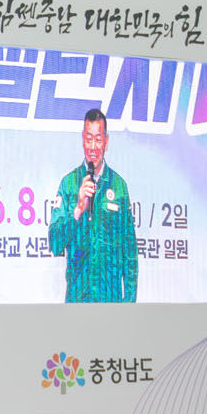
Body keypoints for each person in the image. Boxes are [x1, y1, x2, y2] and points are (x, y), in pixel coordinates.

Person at [47, 108, 137, 303]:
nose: (93, 147)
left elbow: (130, 253)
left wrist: (129, 303)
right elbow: (54, 243)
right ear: (82, 140)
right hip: (78, 301)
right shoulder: (69, 184)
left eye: (98, 139)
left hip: (111, 302)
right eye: (89, 139)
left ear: (106, 141)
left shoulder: (119, 187)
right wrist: (77, 209)